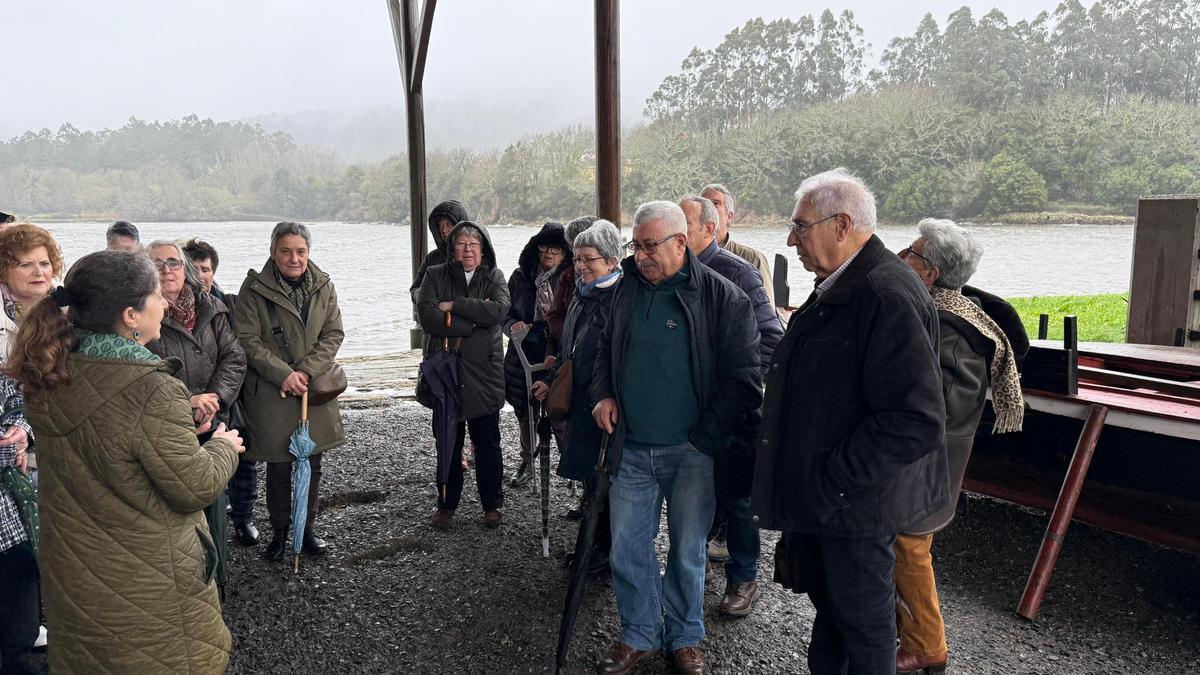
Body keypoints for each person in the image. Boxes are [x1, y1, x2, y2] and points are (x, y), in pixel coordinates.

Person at [8, 250, 244, 673]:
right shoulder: (151, 390)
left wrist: (174, 436)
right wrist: (224, 445)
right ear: (131, 315)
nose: (167, 303)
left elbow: (109, 450)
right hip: (144, 581)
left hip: (75, 574)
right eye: (157, 296)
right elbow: (194, 485)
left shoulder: (49, 369)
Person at [751, 168, 947, 675]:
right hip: (834, 501)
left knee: (864, 628)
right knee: (836, 617)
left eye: (800, 226)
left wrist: (834, 481)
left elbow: (915, 418)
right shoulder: (840, 285)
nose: (791, 239)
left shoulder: (884, 293)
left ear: (841, 224)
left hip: (856, 506)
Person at [591, 201, 762, 675]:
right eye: (636, 245)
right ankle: (639, 634)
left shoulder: (723, 297)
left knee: (688, 552)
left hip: (692, 452)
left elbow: (744, 379)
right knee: (627, 547)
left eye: (650, 246)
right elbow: (603, 350)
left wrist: (706, 439)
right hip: (630, 447)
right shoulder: (624, 290)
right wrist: (602, 394)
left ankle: (685, 638)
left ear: (681, 242)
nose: (641, 256)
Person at [893, 219, 1026, 674]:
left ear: (929, 272)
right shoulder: (948, 313)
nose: (899, 258)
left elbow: (941, 409)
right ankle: (910, 632)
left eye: (908, 252)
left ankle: (928, 645)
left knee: (910, 549)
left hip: (928, 464)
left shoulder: (952, 329)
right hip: (927, 460)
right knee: (902, 547)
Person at [680, 195, 782, 618]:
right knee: (695, 497)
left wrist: (727, 387)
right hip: (686, 414)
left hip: (734, 411)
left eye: (684, 224)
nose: (676, 233)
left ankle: (744, 576)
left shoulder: (738, 273)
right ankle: (692, 570)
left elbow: (771, 340)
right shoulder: (667, 274)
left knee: (738, 500)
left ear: (710, 227)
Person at [235, 222, 345, 561]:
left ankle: (306, 528)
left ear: (308, 252)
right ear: (273, 251)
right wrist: (284, 374)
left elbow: (333, 333)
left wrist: (306, 371)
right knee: (280, 464)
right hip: (273, 393)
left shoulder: (324, 285)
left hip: (313, 389)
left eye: (300, 251)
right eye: (286, 251)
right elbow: (248, 341)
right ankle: (281, 531)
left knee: (312, 462)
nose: (293, 258)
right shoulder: (253, 290)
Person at [146, 240, 249, 560]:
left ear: (184, 267)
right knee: (177, 504)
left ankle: (217, 576)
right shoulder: (140, 313)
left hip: (213, 420)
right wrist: (189, 400)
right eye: (158, 263)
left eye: (174, 262)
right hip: (170, 423)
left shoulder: (211, 307)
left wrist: (215, 399)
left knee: (214, 500)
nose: (167, 270)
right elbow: (142, 370)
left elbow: (234, 357)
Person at [531, 219, 623, 570]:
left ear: (612, 262)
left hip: (602, 408)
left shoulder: (618, 299)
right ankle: (593, 547)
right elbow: (570, 349)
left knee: (605, 486)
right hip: (579, 403)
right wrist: (553, 379)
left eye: (589, 259)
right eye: (578, 258)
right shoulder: (583, 296)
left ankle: (602, 552)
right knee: (590, 480)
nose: (580, 266)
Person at [417, 221, 510, 529]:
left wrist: (455, 305)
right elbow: (427, 316)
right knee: (448, 442)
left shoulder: (494, 276)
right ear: (451, 248)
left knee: (488, 443)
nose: (467, 250)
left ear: (483, 249)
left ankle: (492, 504)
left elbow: (498, 312)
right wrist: (471, 324)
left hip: (484, 373)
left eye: (474, 245)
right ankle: (446, 503)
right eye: (461, 245)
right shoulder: (435, 274)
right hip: (447, 372)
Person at [183, 236, 260, 545]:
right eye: (195, 268)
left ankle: (244, 517)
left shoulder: (228, 304)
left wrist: (216, 396)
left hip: (228, 397)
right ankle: (205, 527)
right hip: (189, 403)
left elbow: (236, 353)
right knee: (198, 464)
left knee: (244, 457)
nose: (202, 275)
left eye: (206, 268)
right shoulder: (165, 307)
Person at [504, 222, 571, 486]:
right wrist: (512, 326)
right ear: (536, 247)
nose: (549, 253)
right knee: (525, 412)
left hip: (557, 350)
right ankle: (527, 462)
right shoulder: (520, 277)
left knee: (560, 411)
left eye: (556, 248)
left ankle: (570, 469)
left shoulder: (571, 278)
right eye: (544, 247)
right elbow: (504, 312)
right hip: (522, 352)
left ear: (565, 252)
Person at [0, 375, 38, 671]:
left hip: (10, 530)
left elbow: (16, 397)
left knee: (22, 634)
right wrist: (12, 446)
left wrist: (22, 430)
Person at [700, 184, 774, 307]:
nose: (708, 209)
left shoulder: (753, 258)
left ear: (729, 217)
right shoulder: (684, 257)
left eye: (715, 203)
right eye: (703, 204)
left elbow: (767, 312)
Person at [0, 223, 65, 360]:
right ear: (3, 272)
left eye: (44, 264)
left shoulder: (69, 306)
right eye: (26, 265)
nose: (38, 272)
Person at [545, 215, 598, 349]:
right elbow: (554, 316)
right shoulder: (567, 276)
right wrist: (571, 336)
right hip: (570, 352)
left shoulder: (617, 281)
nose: (575, 252)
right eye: (572, 246)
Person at [411, 199, 470, 303]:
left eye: (448, 224)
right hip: (436, 316)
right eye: (440, 225)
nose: (443, 230)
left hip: (468, 316)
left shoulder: (475, 255)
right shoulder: (432, 258)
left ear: (460, 225)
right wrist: (425, 296)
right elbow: (415, 289)